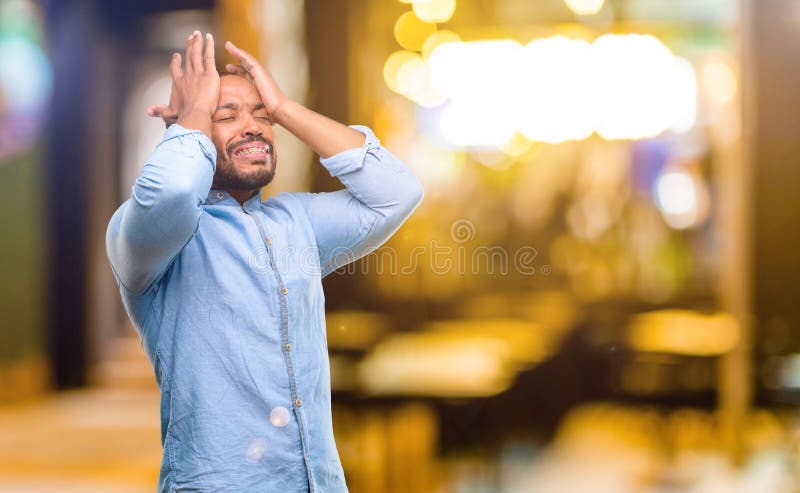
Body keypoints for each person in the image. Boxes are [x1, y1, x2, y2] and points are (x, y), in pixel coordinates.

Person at [105, 31, 424, 492]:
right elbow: (172, 190)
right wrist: (190, 115)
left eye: (260, 115)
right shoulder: (148, 237)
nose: (253, 126)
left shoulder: (298, 222)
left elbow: (397, 193)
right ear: (188, 132)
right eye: (225, 114)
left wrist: (284, 108)